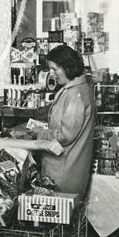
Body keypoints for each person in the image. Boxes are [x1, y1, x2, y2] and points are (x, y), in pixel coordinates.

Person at [32, 45, 95, 196]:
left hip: (63, 171)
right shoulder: (79, 88)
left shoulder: (75, 94)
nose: (51, 74)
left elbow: (65, 136)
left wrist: (41, 133)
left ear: (67, 68)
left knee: (60, 215)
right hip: (69, 168)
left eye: (55, 69)